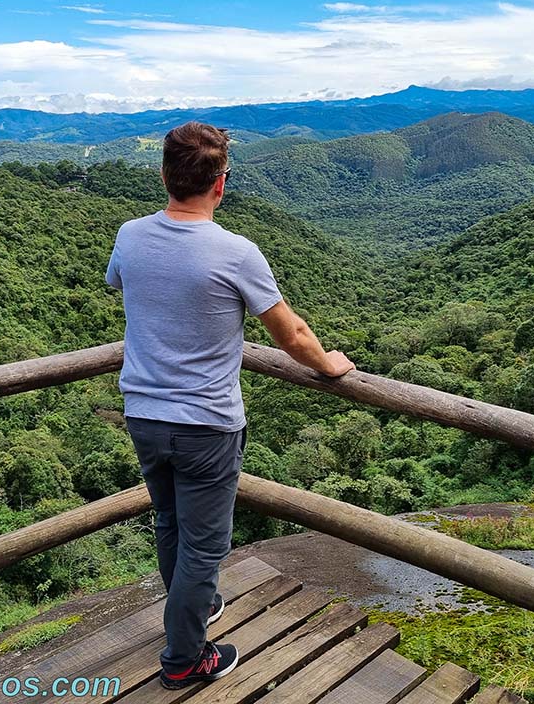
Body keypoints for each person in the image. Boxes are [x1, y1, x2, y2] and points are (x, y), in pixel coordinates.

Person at [104, 121, 355, 690]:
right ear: (221, 184)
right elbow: (290, 335)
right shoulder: (235, 252)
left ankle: (193, 608)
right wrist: (331, 365)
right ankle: (184, 658)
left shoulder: (130, 235)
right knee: (205, 545)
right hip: (206, 423)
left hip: (143, 411)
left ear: (164, 175)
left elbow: (122, 284)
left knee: (168, 520)